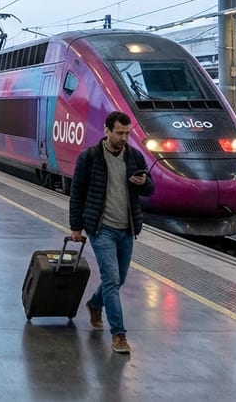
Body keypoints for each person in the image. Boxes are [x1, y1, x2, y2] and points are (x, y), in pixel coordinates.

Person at [69, 111, 155, 356]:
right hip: (100, 228)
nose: (124, 138)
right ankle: (119, 334)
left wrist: (144, 184)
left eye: (127, 133)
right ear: (107, 130)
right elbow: (77, 193)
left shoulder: (135, 157)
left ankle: (95, 304)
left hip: (127, 228)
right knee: (111, 280)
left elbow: (151, 188)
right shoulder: (90, 157)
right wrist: (76, 227)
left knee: (119, 279)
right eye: (119, 133)